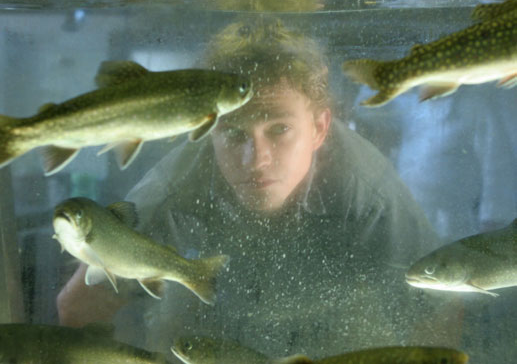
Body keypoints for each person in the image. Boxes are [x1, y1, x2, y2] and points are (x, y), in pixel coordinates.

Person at [57, 19, 462, 360]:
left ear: (320, 128)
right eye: (233, 132)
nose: (257, 159)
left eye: (280, 129)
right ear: (209, 125)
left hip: (338, 339)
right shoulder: (175, 184)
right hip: (205, 340)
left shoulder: (366, 190)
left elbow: (442, 307)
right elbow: (78, 307)